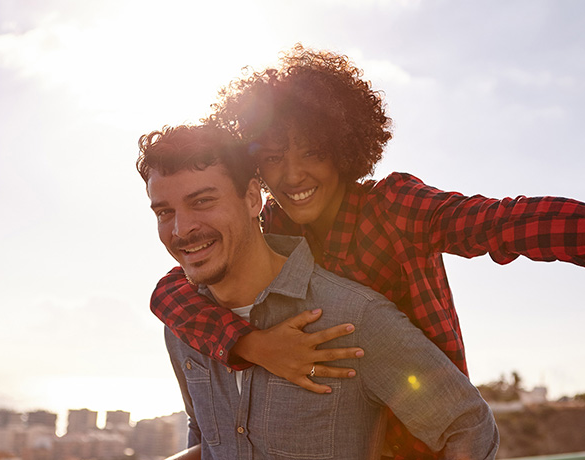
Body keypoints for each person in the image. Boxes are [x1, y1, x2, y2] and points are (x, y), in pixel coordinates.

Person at [149, 45, 585, 459]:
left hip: (424, 438)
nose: (292, 175)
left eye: (312, 152)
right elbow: (173, 292)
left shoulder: (396, 208)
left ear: (343, 147)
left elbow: (511, 223)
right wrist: (251, 345)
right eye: (273, 158)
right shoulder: (268, 228)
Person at [137, 123, 499, 460]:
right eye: (164, 212)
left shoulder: (352, 317)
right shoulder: (184, 328)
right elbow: (209, 435)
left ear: (252, 199)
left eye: (203, 201)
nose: (182, 229)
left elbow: (467, 426)